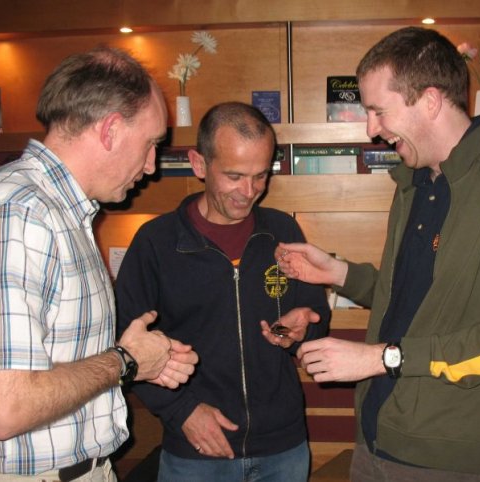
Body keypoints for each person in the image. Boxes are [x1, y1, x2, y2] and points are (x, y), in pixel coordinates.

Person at [276, 26, 480, 481]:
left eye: (378, 111)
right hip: (378, 436)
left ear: (430, 100)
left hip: (454, 455)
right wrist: (338, 273)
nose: (372, 129)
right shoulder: (415, 182)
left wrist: (380, 358)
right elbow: (421, 298)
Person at [0, 46, 199, 482]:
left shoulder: (59, 211)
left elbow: (57, 362)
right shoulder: (18, 213)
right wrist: (125, 361)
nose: (152, 166)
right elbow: (8, 408)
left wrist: (142, 360)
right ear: (111, 130)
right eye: (151, 144)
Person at [115, 101, 331, 482]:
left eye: (261, 176)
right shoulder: (155, 243)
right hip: (196, 452)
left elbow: (314, 316)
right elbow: (125, 345)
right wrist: (181, 411)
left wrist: (302, 330)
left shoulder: (283, 231)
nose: (249, 192)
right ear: (199, 165)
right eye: (234, 175)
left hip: (284, 449)